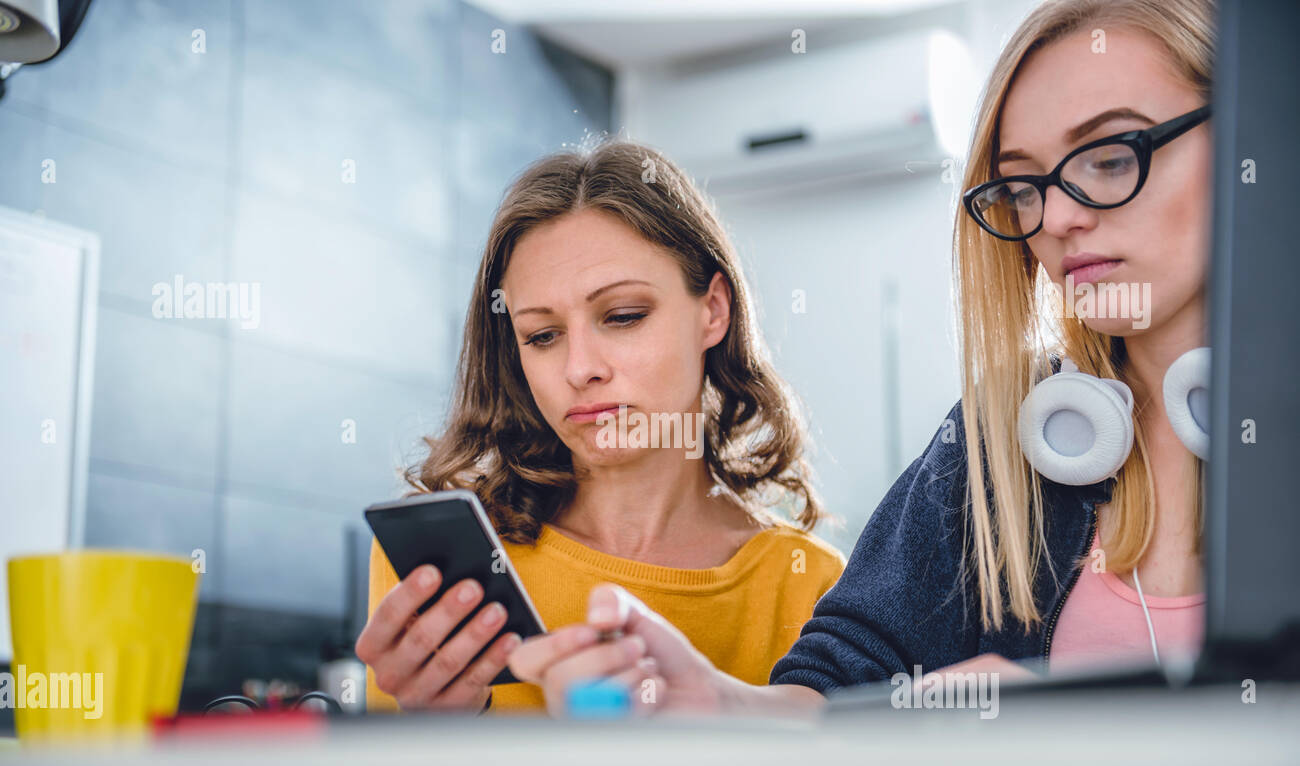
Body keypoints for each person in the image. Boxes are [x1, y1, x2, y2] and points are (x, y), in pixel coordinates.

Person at [511, 0, 1215, 714]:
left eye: (1110, 156)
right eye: (1024, 185)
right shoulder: (997, 445)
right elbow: (842, 684)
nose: (1058, 217)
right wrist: (716, 701)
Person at [357, 139, 844, 715]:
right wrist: (439, 730)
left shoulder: (814, 587)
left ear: (713, 310)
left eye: (623, 317)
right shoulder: (442, 570)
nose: (580, 369)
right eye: (541, 336)